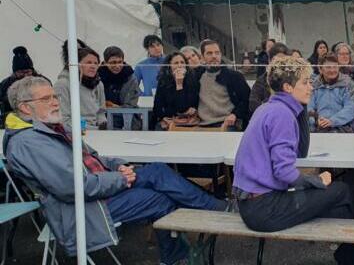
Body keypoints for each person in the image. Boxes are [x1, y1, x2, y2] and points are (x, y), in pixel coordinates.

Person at [2, 76, 226, 265]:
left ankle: (192, 238)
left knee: (157, 172)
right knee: (159, 198)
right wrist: (120, 178)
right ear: (25, 107)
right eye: (46, 99)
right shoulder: (28, 143)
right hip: (82, 208)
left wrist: (119, 166)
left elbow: (95, 157)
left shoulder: (50, 129)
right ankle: (199, 232)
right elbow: (73, 188)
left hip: (100, 189)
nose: (55, 102)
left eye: (54, 96)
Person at [233, 57, 354, 265]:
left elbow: (300, 152)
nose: (311, 87)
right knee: (342, 191)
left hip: (251, 205)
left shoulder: (268, 108)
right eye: (305, 82)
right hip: (265, 209)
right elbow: (284, 172)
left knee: (337, 202)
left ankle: (352, 255)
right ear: (287, 87)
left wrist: (301, 106)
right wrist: (317, 180)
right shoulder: (282, 114)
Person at [195, 39, 251, 130]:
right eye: (209, 53)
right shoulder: (196, 77)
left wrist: (235, 114)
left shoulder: (234, 76)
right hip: (202, 124)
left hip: (228, 123)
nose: (214, 56)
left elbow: (247, 100)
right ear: (202, 57)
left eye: (217, 53)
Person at [55, 40, 107, 129]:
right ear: (77, 64)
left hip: (97, 131)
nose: (93, 66)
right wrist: (93, 129)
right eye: (88, 62)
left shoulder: (98, 84)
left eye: (95, 63)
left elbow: (101, 112)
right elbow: (64, 119)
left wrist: (103, 124)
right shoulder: (62, 85)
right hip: (73, 133)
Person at [307, 54, 354, 133]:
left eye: (335, 67)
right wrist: (315, 120)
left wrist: (332, 121)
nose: (332, 70)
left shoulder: (348, 84)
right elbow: (309, 106)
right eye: (328, 67)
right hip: (318, 128)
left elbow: (351, 108)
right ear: (320, 69)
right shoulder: (314, 86)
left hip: (343, 128)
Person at [0, 46, 47, 128]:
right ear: (15, 72)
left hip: (39, 124)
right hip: (13, 125)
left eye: (28, 72)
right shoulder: (5, 85)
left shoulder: (42, 82)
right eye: (21, 72)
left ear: (32, 70)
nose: (25, 76)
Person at [152, 52, 199, 130]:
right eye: (176, 63)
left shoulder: (192, 80)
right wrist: (169, 114)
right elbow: (157, 108)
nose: (180, 65)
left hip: (189, 122)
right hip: (169, 121)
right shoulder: (163, 82)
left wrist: (179, 84)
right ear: (169, 66)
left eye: (182, 62)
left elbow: (184, 108)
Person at [98, 46, 141, 129]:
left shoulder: (130, 77)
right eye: (113, 62)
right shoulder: (97, 77)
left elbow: (131, 104)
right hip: (102, 119)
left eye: (120, 62)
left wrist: (113, 106)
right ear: (105, 62)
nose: (117, 66)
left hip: (127, 120)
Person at [249, 43, 294, 114]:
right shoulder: (261, 81)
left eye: (285, 61)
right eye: (279, 61)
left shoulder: (293, 79)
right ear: (270, 61)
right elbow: (253, 104)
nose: (282, 64)